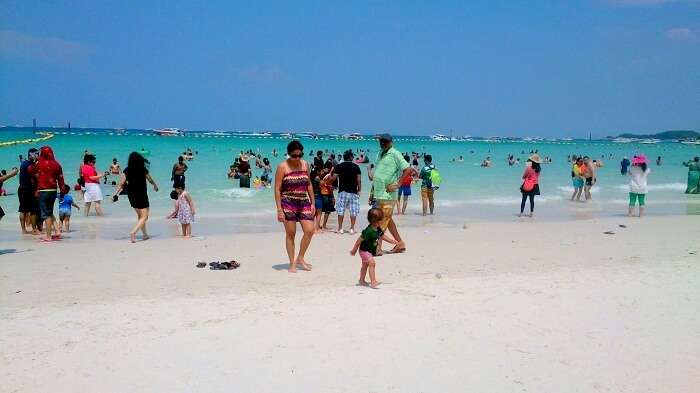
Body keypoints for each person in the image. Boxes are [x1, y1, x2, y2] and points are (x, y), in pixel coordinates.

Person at [274, 140, 315, 273]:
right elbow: (277, 189)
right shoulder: (282, 167)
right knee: (291, 234)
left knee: (310, 230)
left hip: (304, 202)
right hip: (288, 203)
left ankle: (300, 258)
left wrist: (313, 203)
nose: (297, 158)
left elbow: (309, 184)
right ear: (289, 154)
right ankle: (292, 263)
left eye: (299, 155)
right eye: (294, 155)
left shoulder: (305, 164)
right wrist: (279, 210)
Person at [370, 133, 414, 253]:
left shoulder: (395, 153)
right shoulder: (379, 153)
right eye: (381, 142)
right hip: (378, 193)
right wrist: (371, 192)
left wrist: (399, 184)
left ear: (391, 142)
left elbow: (408, 169)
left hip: (388, 195)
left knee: (381, 221)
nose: (383, 144)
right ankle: (400, 244)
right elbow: (378, 174)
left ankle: (377, 248)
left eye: (385, 142)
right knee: (387, 221)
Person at [114, 152, 159, 243]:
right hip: (141, 194)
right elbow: (149, 179)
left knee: (140, 216)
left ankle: (145, 235)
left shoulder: (127, 170)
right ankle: (133, 232)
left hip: (131, 195)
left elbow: (121, 183)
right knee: (145, 217)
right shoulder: (143, 169)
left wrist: (115, 194)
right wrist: (154, 185)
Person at [350, 208, 398, 289]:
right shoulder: (368, 231)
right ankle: (373, 282)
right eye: (381, 220)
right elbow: (359, 240)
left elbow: (382, 236)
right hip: (364, 251)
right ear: (376, 221)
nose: (383, 221)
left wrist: (391, 241)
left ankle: (361, 280)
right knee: (372, 263)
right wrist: (354, 250)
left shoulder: (378, 228)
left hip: (369, 251)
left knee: (365, 266)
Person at [35, 146, 66, 241]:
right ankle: (57, 231)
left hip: (43, 191)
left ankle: (48, 236)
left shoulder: (39, 163)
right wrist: (62, 192)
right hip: (53, 191)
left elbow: (31, 171)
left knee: (46, 214)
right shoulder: (57, 164)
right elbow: (61, 179)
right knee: (49, 211)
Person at [333, 150, 361, 234]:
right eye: (352, 156)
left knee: (341, 210)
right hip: (353, 191)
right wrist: (359, 190)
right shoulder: (356, 167)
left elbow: (334, 179)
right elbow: (359, 180)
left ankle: (340, 228)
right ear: (351, 157)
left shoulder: (339, 166)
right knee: (353, 211)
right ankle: (352, 229)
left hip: (342, 191)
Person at [17, 148, 40, 234]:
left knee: (23, 209)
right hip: (28, 189)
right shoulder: (30, 165)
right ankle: (34, 229)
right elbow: (37, 177)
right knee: (33, 209)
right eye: (36, 154)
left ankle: (23, 230)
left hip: (21, 188)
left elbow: (22, 160)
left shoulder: (24, 163)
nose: (38, 156)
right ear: (31, 155)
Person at [319, 162, 335, 229]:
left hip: (321, 194)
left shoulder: (320, 173)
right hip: (327, 194)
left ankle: (317, 224)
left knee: (320, 211)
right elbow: (330, 187)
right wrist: (333, 197)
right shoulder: (329, 176)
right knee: (327, 211)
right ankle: (324, 225)